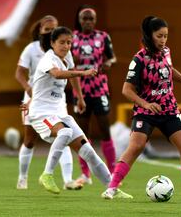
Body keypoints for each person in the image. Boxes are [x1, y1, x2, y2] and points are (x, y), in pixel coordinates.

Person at [101, 16, 181, 202]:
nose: (163, 40)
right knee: (136, 147)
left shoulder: (166, 52)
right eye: (159, 36)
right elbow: (126, 90)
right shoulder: (139, 60)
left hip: (169, 109)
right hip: (146, 111)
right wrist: (146, 104)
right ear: (149, 36)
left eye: (165, 36)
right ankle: (111, 188)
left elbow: (169, 69)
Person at [26, 26, 130, 198]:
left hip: (60, 113)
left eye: (69, 42)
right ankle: (47, 174)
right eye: (62, 42)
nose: (66, 46)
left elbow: (71, 78)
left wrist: (80, 98)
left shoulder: (66, 57)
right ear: (52, 43)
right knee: (65, 132)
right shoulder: (48, 59)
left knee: (89, 152)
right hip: (41, 113)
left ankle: (112, 189)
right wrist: (84, 72)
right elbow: (58, 74)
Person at [15, 15, 82, 190]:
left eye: (54, 29)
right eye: (47, 29)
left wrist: (79, 97)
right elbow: (19, 74)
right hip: (33, 99)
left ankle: (68, 180)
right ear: (40, 31)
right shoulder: (31, 49)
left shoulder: (64, 50)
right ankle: (23, 178)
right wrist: (30, 91)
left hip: (56, 101)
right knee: (30, 140)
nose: (50, 32)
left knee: (64, 135)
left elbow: (71, 73)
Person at [71, 5, 117, 185]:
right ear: (80, 20)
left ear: (95, 21)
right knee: (82, 132)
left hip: (99, 88)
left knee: (105, 129)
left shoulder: (103, 37)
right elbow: (63, 58)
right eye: (85, 19)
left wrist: (109, 63)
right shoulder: (72, 38)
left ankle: (113, 173)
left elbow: (112, 57)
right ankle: (85, 174)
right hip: (80, 89)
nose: (88, 22)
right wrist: (70, 59)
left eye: (91, 19)